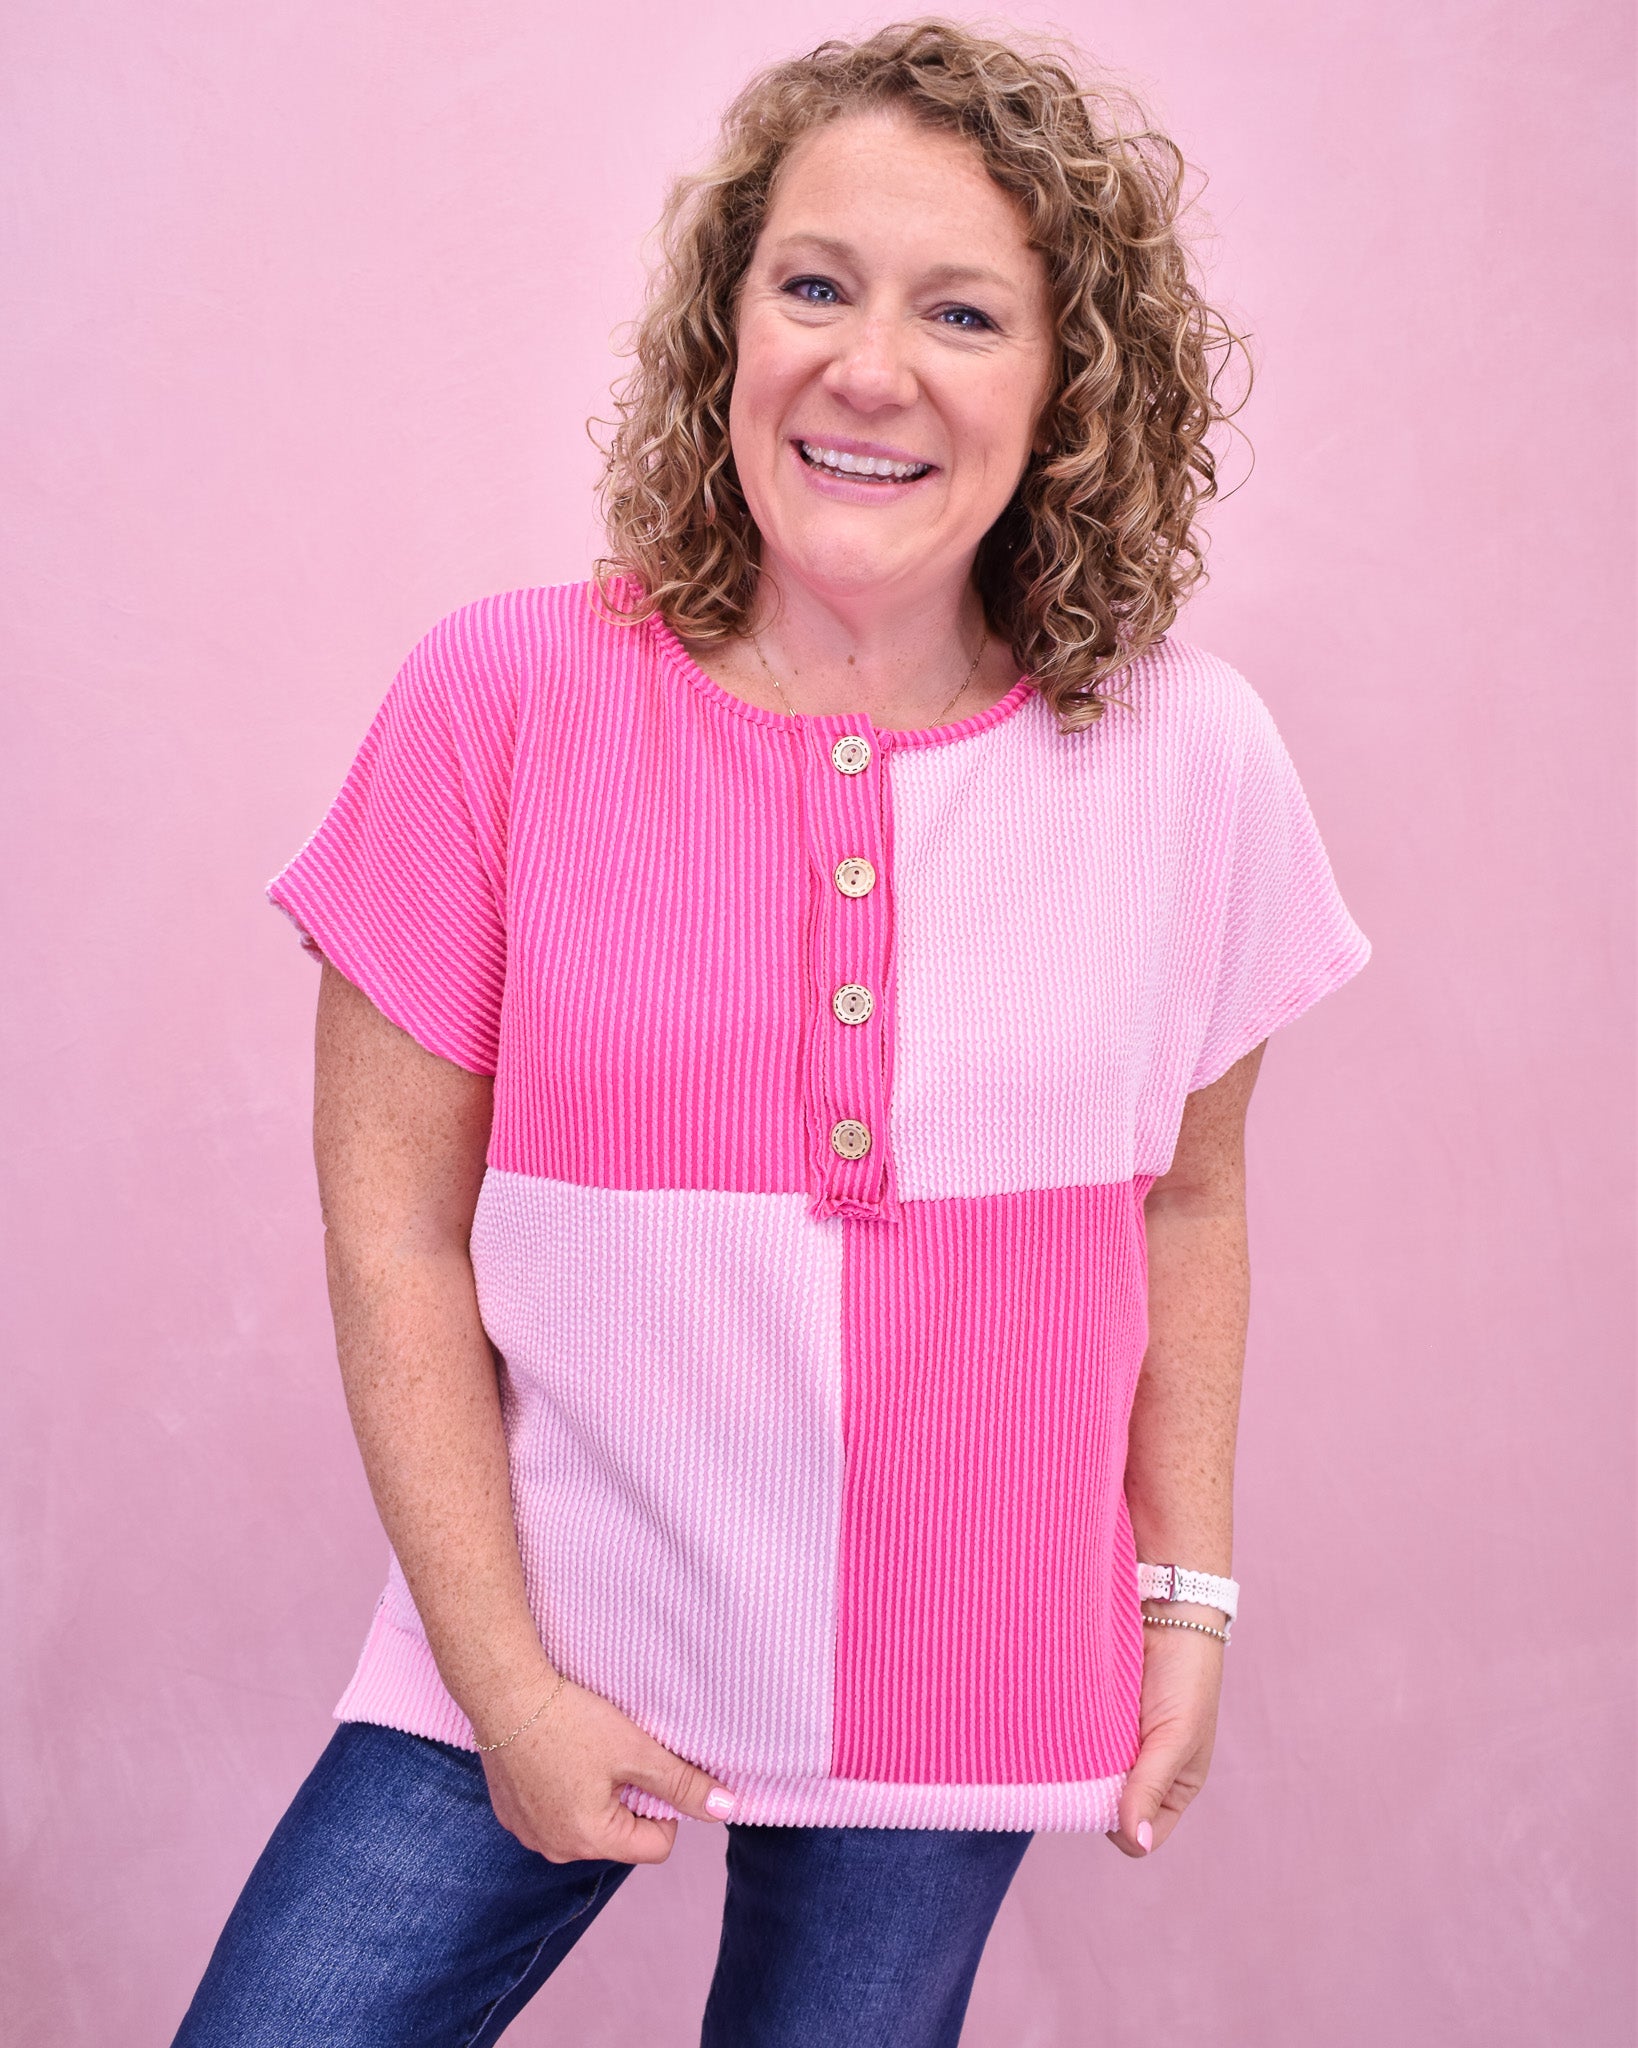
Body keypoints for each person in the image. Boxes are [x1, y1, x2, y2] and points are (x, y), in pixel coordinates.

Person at [173, 20, 1369, 2047]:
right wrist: (509, 1682)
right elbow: (395, 1232)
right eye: (813, 282)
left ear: (1071, 384)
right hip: (536, 1621)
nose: (869, 364)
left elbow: (1190, 1197)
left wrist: (1188, 1597)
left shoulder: (1193, 759)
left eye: (964, 310)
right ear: (726, 319)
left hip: (965, 1659)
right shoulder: (501, 701)